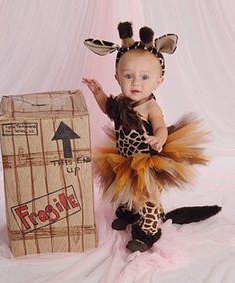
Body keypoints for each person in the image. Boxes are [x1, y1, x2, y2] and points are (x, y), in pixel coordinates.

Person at [82, 22, 220, 253]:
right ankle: (128, 212)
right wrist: (98, 94)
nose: (136, 82)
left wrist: (159, 139)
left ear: (159, 81)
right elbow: (108, 108)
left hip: (146, 160)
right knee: (124, 189)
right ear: (117, 77)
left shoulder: (150, 107)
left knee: (147, 196)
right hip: (124, 157)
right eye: (128, 76)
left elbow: (160, 127)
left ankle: (148, 231)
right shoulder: (121, 101)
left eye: (145, 77)